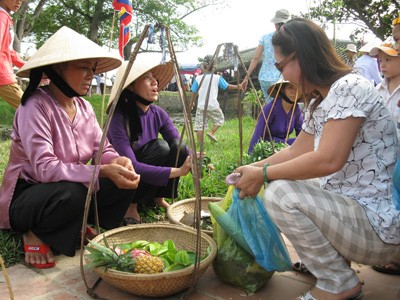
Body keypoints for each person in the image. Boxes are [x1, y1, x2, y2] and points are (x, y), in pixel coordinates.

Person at [233, 18, 399, 300]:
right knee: (288, 181)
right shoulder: (320, 101)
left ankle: (337, 282)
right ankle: (336, 270)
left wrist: (263, 176)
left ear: (302, 56)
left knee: (281, 193)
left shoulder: (350, 87)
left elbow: (328, 160)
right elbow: (296, 151)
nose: (281, 75)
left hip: (379, 224)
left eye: (280, 65)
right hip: (357, 216)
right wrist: (253, 168)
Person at [0, 26, 140, 269]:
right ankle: (33, 231)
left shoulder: (84, 108)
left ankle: (75, 224)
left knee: (121, 182)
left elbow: (102, 149)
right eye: (84, 68)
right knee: (73, 193)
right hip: (30, 195)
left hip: (69, 184)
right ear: (57, 69)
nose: (91, 76)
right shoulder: (34, 106)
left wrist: (116, 161)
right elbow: (44, 169)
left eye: (92, 69)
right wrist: (102, 171)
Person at [107, 60, 191, 225]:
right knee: (160, 147)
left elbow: (177, 142)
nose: (155, 82)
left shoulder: (157, 113)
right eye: (146, 78)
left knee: (178, 147)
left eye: (155, 77)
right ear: (131, 86)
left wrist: (194, 158)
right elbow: (132, 166)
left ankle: (158, 198)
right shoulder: (118, 117)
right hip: (121, 178)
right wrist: (179, 171)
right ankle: (131, 205)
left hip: (146, 171)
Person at [191, 55, 241, 147]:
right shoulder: (217, 77)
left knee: (199, 126)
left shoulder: (198, 78)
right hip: (213, 105)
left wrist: (192, 102)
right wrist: (238, 86)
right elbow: (226, 86)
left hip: (201, 106)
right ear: (214, 67)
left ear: (203, 66)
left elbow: (194, 92)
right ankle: (212, 132)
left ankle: (200, 145)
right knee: (220, 119)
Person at [241, 9, 291, 101]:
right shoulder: (289, 39)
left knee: (270, 106)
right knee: (281, 107)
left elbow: (256, 58)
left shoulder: (265, 37)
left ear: (275, 23)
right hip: (280, 78)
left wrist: (246, 78)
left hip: (264, 78)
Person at [248, 79, 303, 154]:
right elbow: (258, 133)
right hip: (268, 147)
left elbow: (302, 134)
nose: (294, 91)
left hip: (284, 146)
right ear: (283, 90)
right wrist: (251, 156)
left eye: (297, 89)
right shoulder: (270, 108)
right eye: (290, 88)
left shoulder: (296, 110)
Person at [0, 0, 25, 109]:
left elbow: (9, 52)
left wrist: (32, 68)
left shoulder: (5, 17)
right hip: (2, 75)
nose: (19, 2)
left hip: (4, 74)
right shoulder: (2, 17)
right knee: (30, 109)